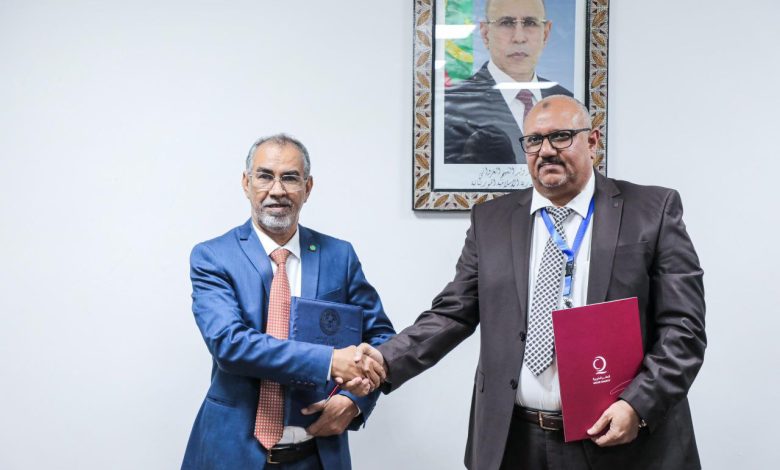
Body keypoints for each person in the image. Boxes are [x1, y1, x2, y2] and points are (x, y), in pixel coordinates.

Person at [358, 96, 706, 469]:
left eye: (561, 136)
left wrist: (637, 405)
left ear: (592, 141)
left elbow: (683, 328)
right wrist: (384, 359)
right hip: (515, 443)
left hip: (620, 442)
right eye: (534, 140)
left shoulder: (651, 211)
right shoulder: (491, 221)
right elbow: (452, 313)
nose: (546, 150)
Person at [182, 134, 395, 469]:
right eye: (265, 176)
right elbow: (229, 344)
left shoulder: (340, 256)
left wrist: (354, 401)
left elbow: (381, 339)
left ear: (307, 188)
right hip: (230, 455)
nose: (277, 190)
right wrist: (328, 361)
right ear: (246, 183)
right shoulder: (213, 257)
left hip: (317, 456)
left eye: (290, 178)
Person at [445, 0, 573, 165]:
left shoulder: (569, 102)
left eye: (530, 23)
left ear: (545, 34)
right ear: (485, 34)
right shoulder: (452, 107)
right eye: (506, 23)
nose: (519, 38)